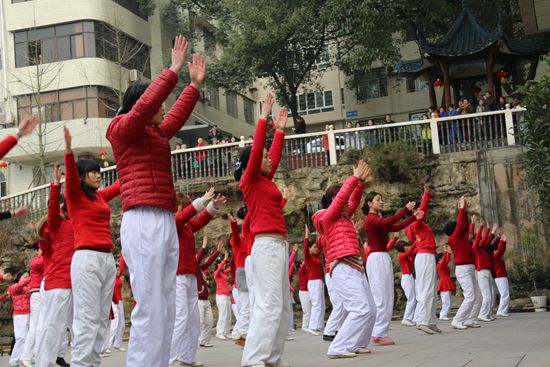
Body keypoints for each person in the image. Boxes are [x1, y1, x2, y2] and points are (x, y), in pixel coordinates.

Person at [105, 35, 206, 367]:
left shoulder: (156, 134)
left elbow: (174, 115)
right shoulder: (121, 128)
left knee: (167, 303)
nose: (163, 107)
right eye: (156, 102)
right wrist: (172, 71)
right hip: (142, 219)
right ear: (140, 102)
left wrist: (192, 85)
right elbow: (146, 108)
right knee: (150, 303)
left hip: (162, 218)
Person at [234, 92, 289, 367]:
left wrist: (279, 132)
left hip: (278, 246)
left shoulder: (265, 181)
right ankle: (253, 360)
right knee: (269, 305)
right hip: (266, 247)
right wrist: (263, 119)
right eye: (264, 157)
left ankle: (271, 358)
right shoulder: (250, 180)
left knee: (283, 308)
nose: (269, 159)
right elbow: (257, 153)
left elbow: (271, 156)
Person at [64, 126, 121, 367]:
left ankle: (93, 363)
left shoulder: (99, 197)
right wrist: (68, 150)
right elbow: (69, 177)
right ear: (81, 177)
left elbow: (120, 184)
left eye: (98, 172)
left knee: (101, 319)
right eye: (92, 173)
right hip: (86, 259)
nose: (98, 176)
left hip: (107, 259)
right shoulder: (75, 196)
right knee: (87, 318)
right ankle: (79, 364)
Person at [312, 160, 376, 359]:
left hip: (354, 266)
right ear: (334, 198)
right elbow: (342, 201)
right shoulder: (324, 216)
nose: (348, 203)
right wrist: (353, 178)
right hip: (342, 266)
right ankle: (337, 347)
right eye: (342, 197)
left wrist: (359, 184)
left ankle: (356, 343)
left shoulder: (343, 216)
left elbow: (352, 201)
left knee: (370, 310)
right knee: (361, 308)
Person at [362, 192, 423, 345]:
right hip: (377, 259)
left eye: (381, 199)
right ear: (369, 203)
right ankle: (378, 332)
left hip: (381, 258)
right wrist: (405, 210)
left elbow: (396, 226)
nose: (381, 202)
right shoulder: (371, 219)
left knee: (386, 296)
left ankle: (379, 331)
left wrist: (413, 218)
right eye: (378, 200)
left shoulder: (378, 220)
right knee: (381, 297)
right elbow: (390, 221)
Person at [169, 190, 221, 367]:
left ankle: (186, 356)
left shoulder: (186, 225)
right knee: (181, 318)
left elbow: (199, 220)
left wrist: (213, 206)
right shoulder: (171, 222)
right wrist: (201, 201)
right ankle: (165, 360)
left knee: (193, 321)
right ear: (177, 207)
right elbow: (182, 217)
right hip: (177, 277)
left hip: (190, 276)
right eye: (186, 205)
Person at [34, 165, 75, 367]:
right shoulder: (54, 225)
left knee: (72, 326)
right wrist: (56, 184)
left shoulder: (70, 223)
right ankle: (44, 363)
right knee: (53, 326)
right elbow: (52, 210)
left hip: (72, 281)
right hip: (58, 283)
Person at [405, 185, 440, 335]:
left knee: (431, 288)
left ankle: (430, 320)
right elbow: (423, 210)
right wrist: (426, 195)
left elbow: (422, 211)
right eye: (415, 210)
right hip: (424, 256)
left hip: (427, 256)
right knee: (426, 288)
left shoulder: (419, 223)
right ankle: (422, 321)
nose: (418, 211)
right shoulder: (415, 224)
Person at [445, 198, 482, 330]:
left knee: (478, 296)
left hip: (469, 268)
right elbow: (461, 226)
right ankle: (457, 320)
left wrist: (465, 210)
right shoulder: (454, 238)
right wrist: (461, 209)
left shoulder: (460, 237)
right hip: (463, 269)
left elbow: (465, 227)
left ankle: (470, 320)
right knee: (471, 296)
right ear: (454, 230)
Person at [18, 247, 43, 366]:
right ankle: (25, 356)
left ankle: (36, 355)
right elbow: (39, 264)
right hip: (37, 294)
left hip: (44, 293)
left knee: (41, 326)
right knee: (35, 326)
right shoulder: (35, 260)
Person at [197, 240, 224, 348]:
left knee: (209, 321)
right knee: (199, 321)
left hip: (206, 300)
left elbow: (208, 263)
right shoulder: (193, 269)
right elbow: (198, 258)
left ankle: (204, 341)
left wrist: (217, 251)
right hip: (198, 300)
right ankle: (195, 341)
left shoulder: (200, 268)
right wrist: (203, 247)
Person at [473, 221, 498, 322]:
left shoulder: (482, 248)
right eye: (478, 239)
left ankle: (487, 314)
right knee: (486, 295)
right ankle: (482, 314)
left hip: (487, 272)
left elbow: (486, 241)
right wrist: (482, 227)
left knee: (491, 294)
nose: (481, 240)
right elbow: (480, 239)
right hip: (481, 272)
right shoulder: (475, 248)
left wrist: (491, 231)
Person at [303, 225, 325, 334]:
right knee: (316, 304)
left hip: (319, 281)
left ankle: (319, 325)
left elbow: (321, 246)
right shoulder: (308, 257)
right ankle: (312, 326)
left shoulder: (316, 256)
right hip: (313, 282)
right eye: (314, 247)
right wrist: (307, 235)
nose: (316, 249)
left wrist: (320, 234)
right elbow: (306, 247)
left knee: (321, 304)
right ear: (310, 248)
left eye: (316, 247)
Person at [7, 273, 31, 367]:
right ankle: (13, 360)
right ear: (19, 277)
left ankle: (26, 358)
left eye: (28, 276)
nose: (27, 278)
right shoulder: (13, 287)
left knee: (30, 338)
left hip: (30, 314)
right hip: (20, 315)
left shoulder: (29, 287)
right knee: (21, 338)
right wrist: (30, 278)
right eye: (25, 276)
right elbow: (16, 287)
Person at [395, 239, 417, 327]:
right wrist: (416, 242)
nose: (407, 247)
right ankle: (406, 318)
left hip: (410, 277)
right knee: (411, 299)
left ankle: (410, 318)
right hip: (406, 277)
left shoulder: (406, 255)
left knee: (413, 298)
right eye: (406, 246)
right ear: (402, 247)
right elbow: (411, 251)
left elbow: (413, 251)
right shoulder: (401, 256)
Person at [214, 251, 233, 340]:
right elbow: (219, 268)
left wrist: (234, 259)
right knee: (223, 314)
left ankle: (226, 332)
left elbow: (231, 268)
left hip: (227, 296)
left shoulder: (224, 273)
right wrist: (224, 259)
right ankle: (219, 332)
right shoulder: (216, 274)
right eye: (220, 263)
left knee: (228, 315)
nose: (223, 265)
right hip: (221, 296)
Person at [437, 245, 455, 321]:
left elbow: (446, 260)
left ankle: (444, 314)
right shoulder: (439, 266)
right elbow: (445, 260)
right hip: (444, 283)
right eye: (441, 259)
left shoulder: (443, 265)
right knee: (446, 301)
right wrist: (445, 251)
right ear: (439, 260)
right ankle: (443, 315)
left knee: (448, 301)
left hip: (446, 282)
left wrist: (448, 253)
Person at [493, 233, 509, 317]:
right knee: (504, 294)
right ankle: (501, 311)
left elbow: (501, 251)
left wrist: (502, 241)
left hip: (500, 276)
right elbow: (501, 251)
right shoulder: (495, 256)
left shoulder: (495, 256)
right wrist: (503, 241)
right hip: (500, 276)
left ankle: (503, 310)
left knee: (504, 293)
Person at [297, 261, 311, 332]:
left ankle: (310, 326)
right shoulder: (300, 272)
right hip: (303, 293)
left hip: (310, 292)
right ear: (300, 265)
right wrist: (306, 259)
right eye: (302, 264)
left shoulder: (308, 272)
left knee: (311, 310)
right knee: (306, 310)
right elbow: (304, 266)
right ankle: (305, 326)